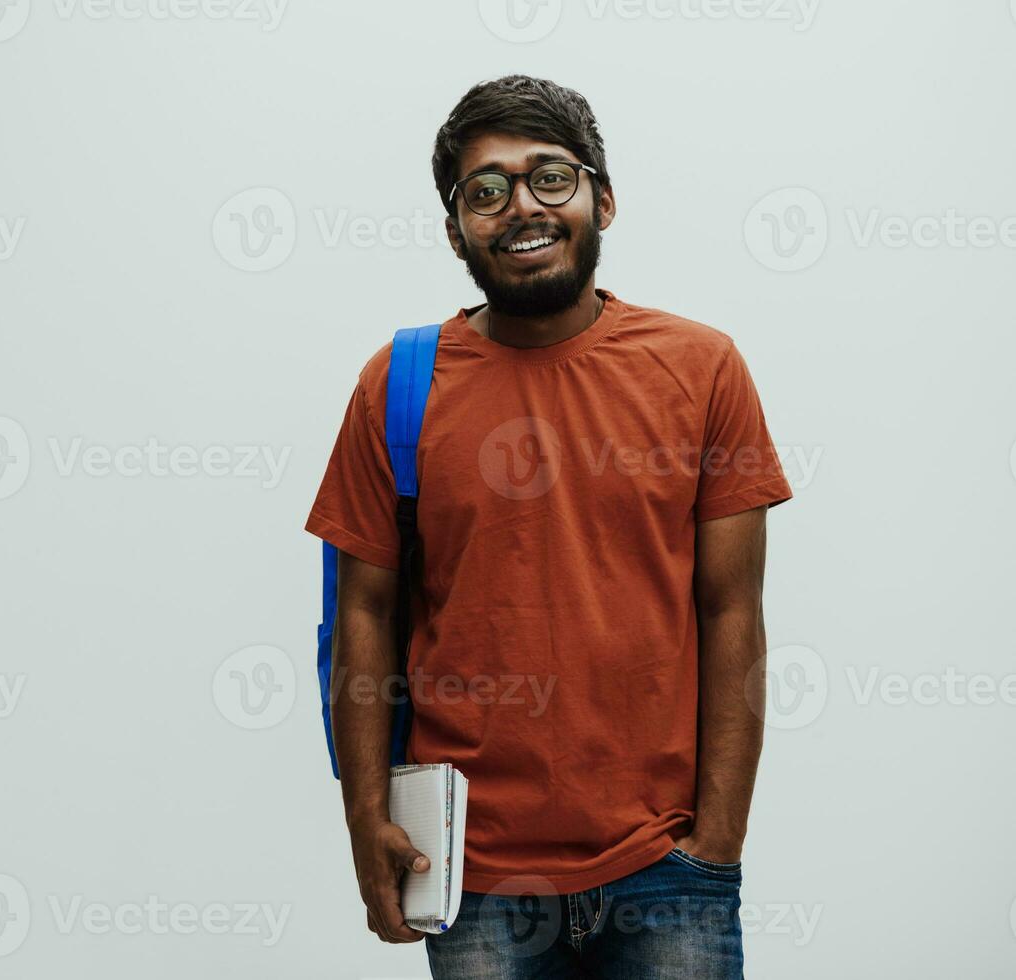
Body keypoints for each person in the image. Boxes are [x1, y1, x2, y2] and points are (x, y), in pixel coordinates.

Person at [305, 75, 793, 979]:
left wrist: (715, 845)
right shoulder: (399, 384)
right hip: (476, 877)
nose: (521, 206)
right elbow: (363, 617)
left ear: (602, 198)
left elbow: (734, 614)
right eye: (485, 191)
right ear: (457, 230)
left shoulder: (702, 368)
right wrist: (364, 816)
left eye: (551, 178)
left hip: (667, 868)